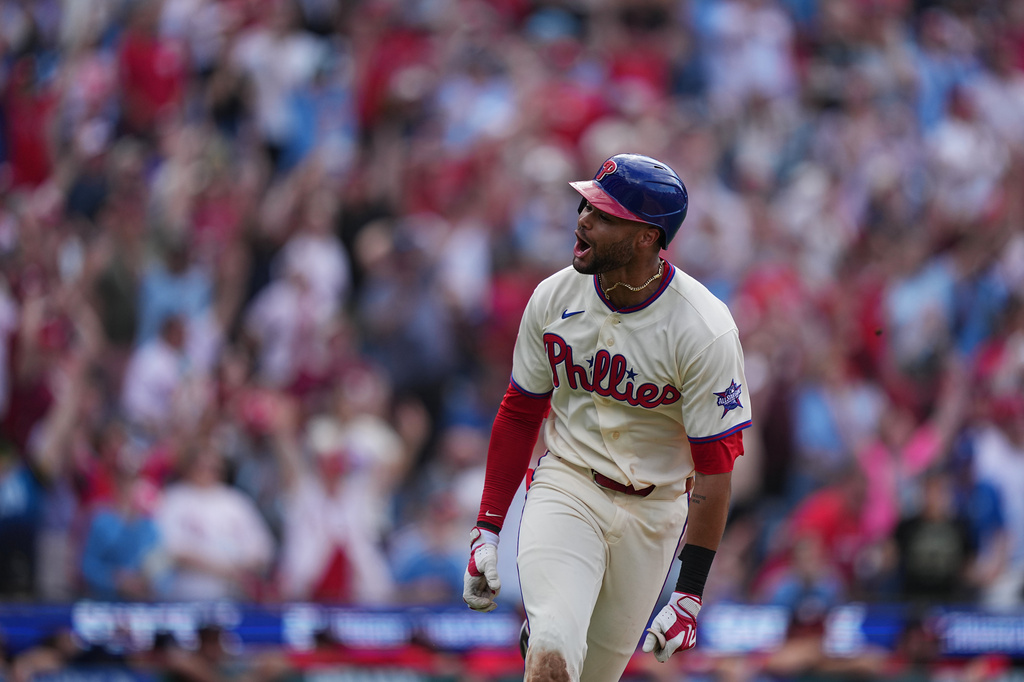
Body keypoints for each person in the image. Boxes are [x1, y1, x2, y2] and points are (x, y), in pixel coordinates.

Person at [462, 154, 752, 681]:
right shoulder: (553, 297)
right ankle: (546, 634)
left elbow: (714, 468)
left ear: (647, 237)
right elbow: (520, 411)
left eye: (604, 213)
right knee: (553, 654)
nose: (583, 220)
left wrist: (689, 591)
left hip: (655, 513)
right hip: (567, 486)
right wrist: (487, 528)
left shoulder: (705, 329)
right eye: (585, 205)